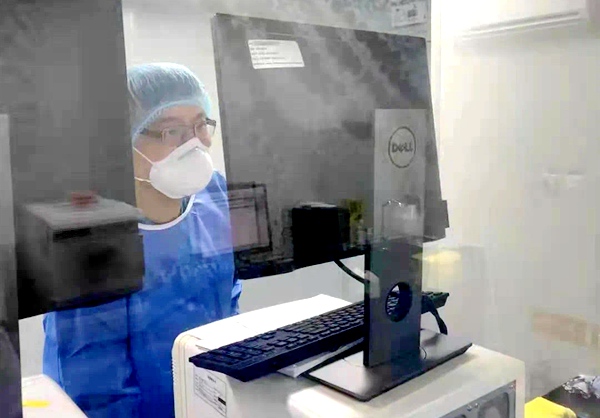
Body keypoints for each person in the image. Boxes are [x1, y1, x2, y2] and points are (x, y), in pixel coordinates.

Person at [43, 63, 242, 418]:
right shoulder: (90, 236)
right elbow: (95, 386)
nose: (194, 143)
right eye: (171, 131)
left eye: (200, 125)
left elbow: (228, 305)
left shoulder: (214, 197)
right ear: (123, 143)